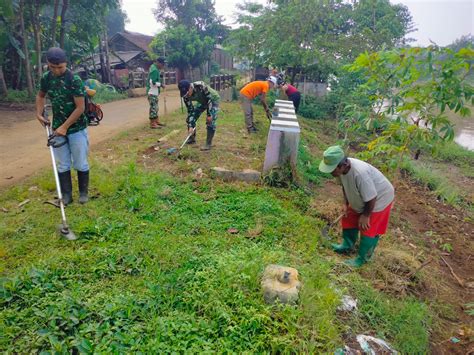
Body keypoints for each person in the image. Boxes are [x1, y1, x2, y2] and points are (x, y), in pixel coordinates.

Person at [319, 146, 395, 267]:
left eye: (332, 169)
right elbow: (345, 186)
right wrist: (345, 203)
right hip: (365, 195)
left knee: (367, 227)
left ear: (343, 165)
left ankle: (363, 259)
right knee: (349, 216)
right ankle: (347, 245)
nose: (331, 172)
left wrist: (366, 215)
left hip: (380, 197)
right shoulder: (340, 172)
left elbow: (371, 197)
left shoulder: (360, 174)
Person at [35, 47, 89, 205]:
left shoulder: (74, 79)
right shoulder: (46, 78)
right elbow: (40, 95)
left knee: (80, 162)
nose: (57, 70)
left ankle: (83, 193)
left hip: (77, 127)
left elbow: (81, 108)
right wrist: (39, 113)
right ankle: (66, 196)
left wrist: (65, 127)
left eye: (60, 67)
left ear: (66, 64)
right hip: (57, 128)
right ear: (48, 64)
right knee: (63, 163)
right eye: (53, 67)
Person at [178, 80, 220, 150]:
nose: (187, 95)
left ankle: (208, 144)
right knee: (190, 119)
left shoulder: (200, 86)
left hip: (212, 100)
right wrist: (191, 125)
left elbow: (209, 99)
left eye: (187, 93)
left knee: (210, 121)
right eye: (184, 94)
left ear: (190, 88)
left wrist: (209, 114)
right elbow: (190, 111)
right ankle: (191, 138)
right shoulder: (185, 96)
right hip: (202, 101)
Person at [146, 57, 166, 129]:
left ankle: (156, 121)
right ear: (158, 63)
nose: (163, 66)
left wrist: (160, 76)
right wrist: (161, 85)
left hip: (154, 92)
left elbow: (156, 78)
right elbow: (153, 82)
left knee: (156, 107)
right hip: (152, 91)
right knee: (153, 107)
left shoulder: (155, 68)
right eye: (162, 64)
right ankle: (152, 123)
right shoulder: (154, 70)